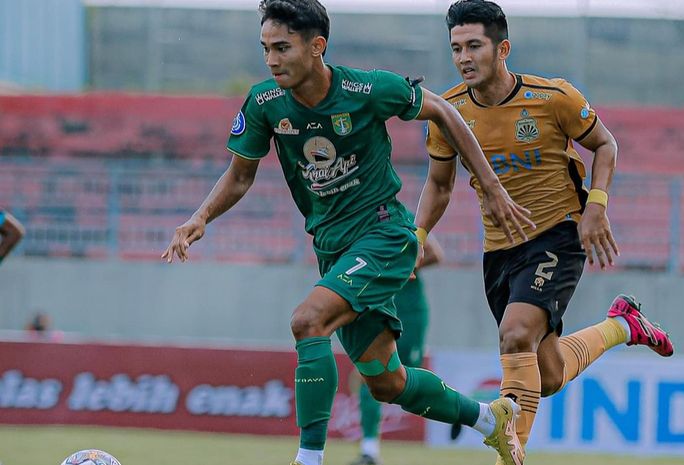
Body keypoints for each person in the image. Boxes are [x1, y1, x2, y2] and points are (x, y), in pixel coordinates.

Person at [162, 2, 535, 464]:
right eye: (265, 49)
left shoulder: (366, 89)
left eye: (282, 48)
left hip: (383, 233)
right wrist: (200, 217)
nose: (272, 60)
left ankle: (308, 458)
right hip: (332, 249)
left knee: (307, 321)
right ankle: (489, 419)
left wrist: (492, 186)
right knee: (386, 381)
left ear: (317, 47)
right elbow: (240, 175)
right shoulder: (264, 103)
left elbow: (444, 111)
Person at [425, 0, 674, 460]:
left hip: (558, 235)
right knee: (550, 375)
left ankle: (512, 453)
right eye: (456, 47)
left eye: (474, 45)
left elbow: (605, 144)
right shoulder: (449, 112)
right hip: (499, 251)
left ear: (503, 48)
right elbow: (439, 187)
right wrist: (416, 240)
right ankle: (623, 325)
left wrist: (596, 207)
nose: (463, 57)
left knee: (516, 334)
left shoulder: (552, 97)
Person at [350, 232, 444, 465]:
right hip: (379, 311)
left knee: (409, 385)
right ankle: (369, 451)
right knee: (368, 377)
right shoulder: (359, 223)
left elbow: (435, 254)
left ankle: (463, 412)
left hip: (409, 314)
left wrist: (400, 266)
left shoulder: (405, 222)